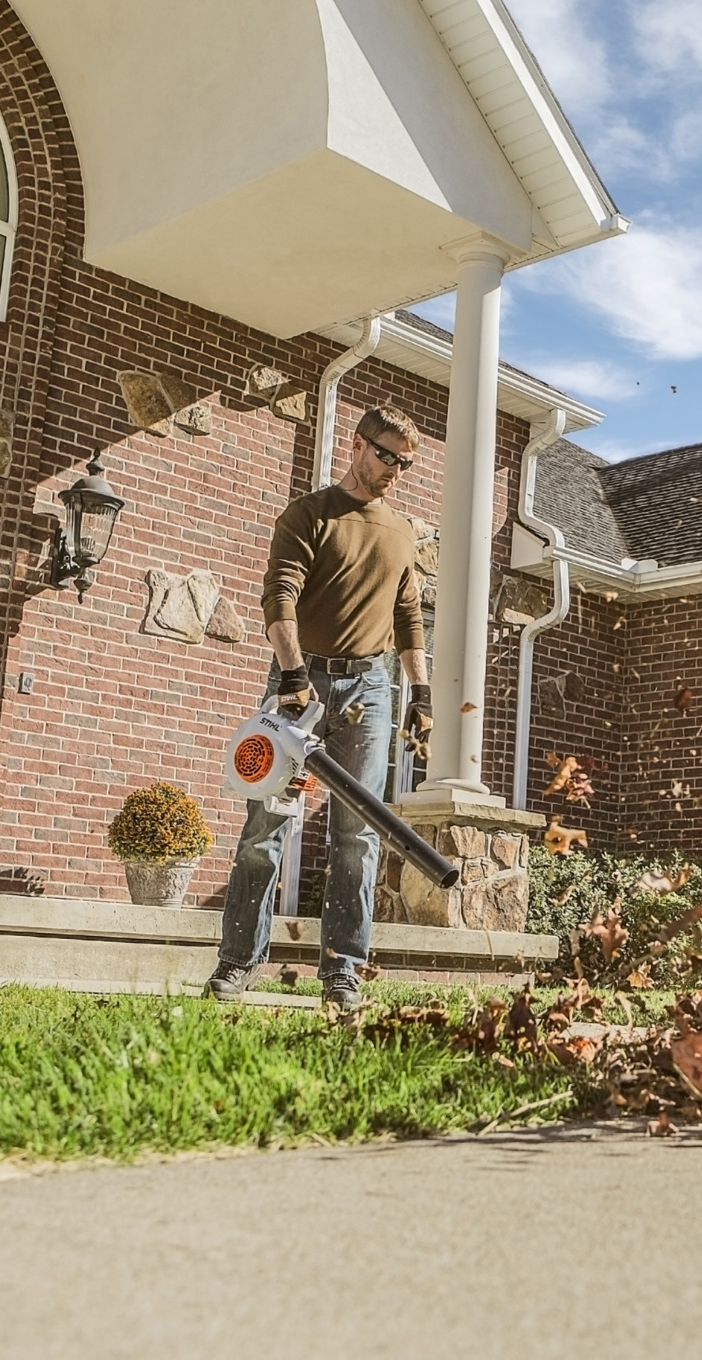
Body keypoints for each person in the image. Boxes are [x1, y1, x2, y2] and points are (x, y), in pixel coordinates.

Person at [206, 404, 432, 1011]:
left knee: (357, 835)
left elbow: (409, 618)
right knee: (267, 824)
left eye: (405, 463)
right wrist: (291, 674)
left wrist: (422, 695)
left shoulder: (402, 531)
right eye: (386, 456)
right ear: (357, 446)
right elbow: (278, 596)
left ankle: (342, 971)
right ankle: (238, 961)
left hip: (372, 690)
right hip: (301, 685)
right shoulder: (309, 514)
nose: (394, 470)